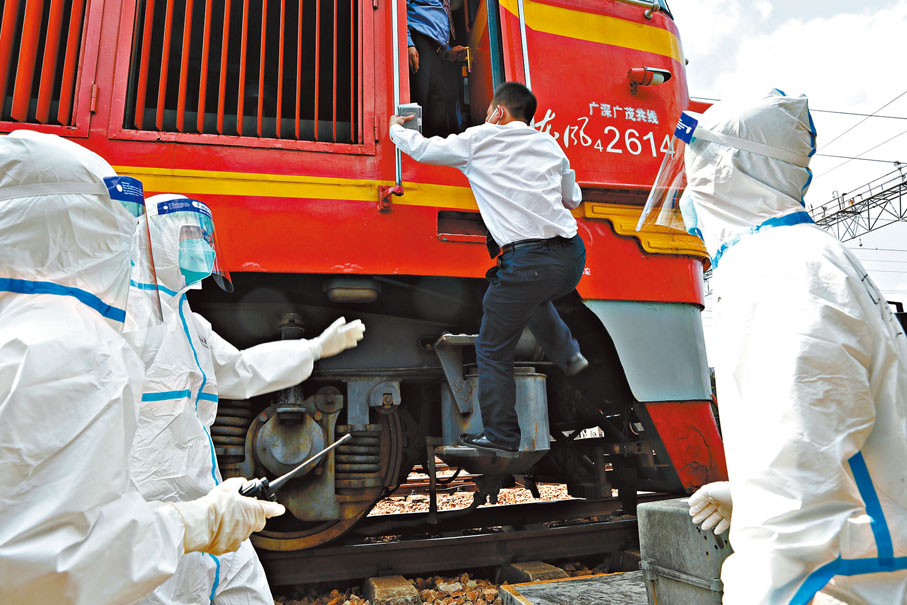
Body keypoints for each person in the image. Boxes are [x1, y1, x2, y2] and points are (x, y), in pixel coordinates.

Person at [638, 90, 907, 603]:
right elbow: (830, 436)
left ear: (724, 170)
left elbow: (805, 502)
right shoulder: (804, 259)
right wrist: (752, 494)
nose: (684, 188)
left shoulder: (779, 272)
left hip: (838, 583)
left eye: (693, 167)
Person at [0, 131, 285, 605]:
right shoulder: (67, 349)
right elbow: (54, 567)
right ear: (80, 230)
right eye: (116, 226)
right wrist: (200, 523)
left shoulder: (27, 331)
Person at [126, 193, 366, 604]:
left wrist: (313, 349)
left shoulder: (189, 321)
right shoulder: (126, 320)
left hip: (205, 494)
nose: (201, 246)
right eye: (189, 236)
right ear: (157, 240)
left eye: (204, 237)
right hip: (150, 506)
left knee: (244, 589)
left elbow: (239, 370)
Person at [389, 81, 587, 455]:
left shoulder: (481, 138)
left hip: (528, 260)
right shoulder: (549, 144)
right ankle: (569, 354)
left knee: (493, 348)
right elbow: (572, 198)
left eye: (487, 112)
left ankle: (501, 437)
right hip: (571, 258)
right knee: (529, 296)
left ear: (498, 112)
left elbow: (425, 150)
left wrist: (397, 130)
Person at [407, 0, 468, 136]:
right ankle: (414, 145)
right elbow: (399, 8)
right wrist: (409, 43)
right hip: (420, 42)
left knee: (439, 100)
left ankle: (433, 145)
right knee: (420, 99)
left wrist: (447, 53)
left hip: (437, 52)